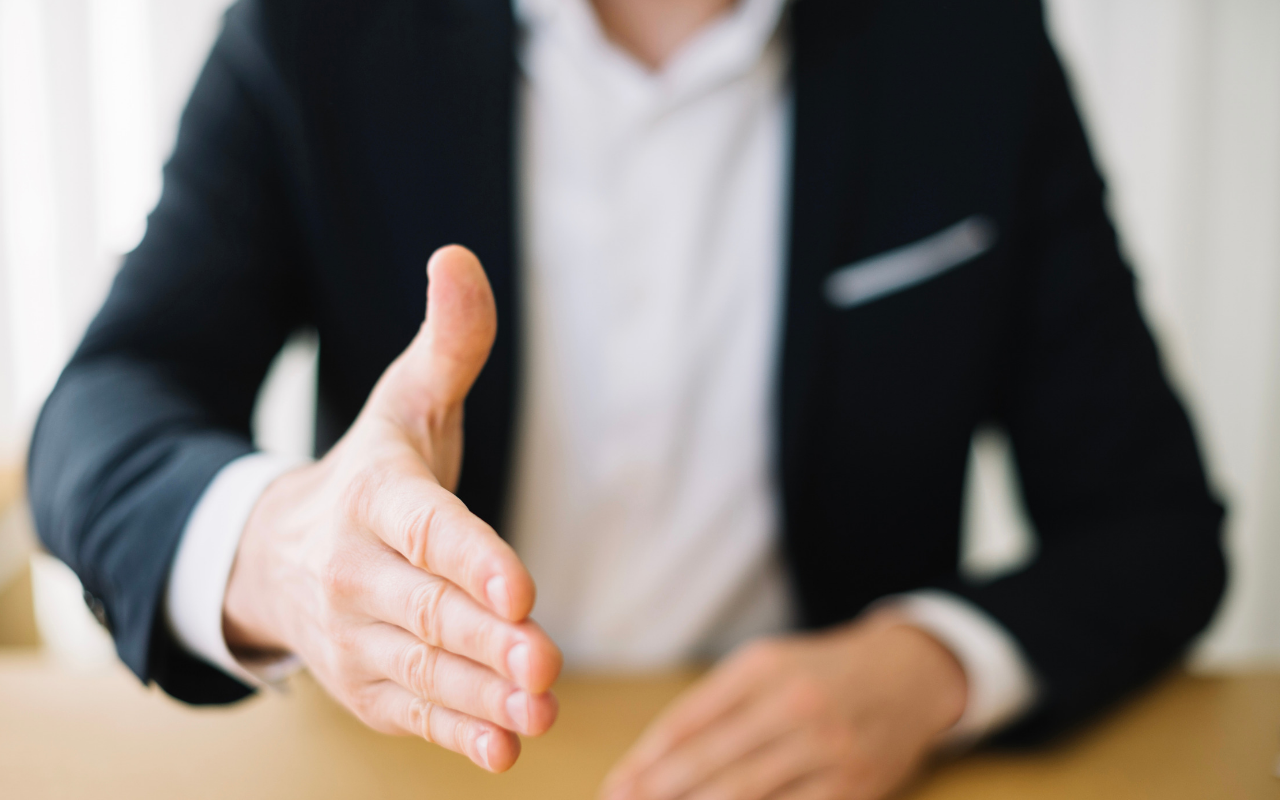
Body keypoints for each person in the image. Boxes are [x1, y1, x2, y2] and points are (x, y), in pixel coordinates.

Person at [28, 0, 1226, 797]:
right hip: (412, 767)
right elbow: (105, 405)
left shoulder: (970, 43)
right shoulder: (317, 27)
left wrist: (928, 665)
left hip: (832, 774)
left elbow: (1155, 525)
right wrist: (284, 552)